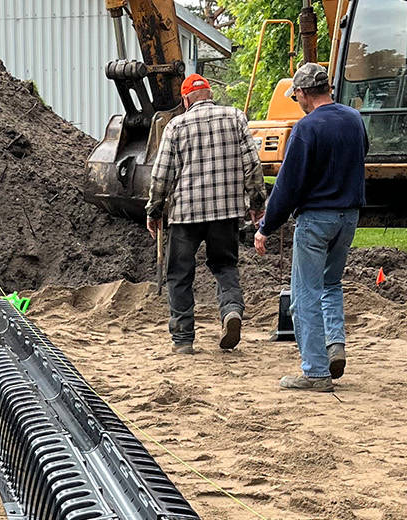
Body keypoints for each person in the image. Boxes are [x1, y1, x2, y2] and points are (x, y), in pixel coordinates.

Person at [254, 63, 367, 392]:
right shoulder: (354, 120)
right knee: (331, 284)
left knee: (305, 294)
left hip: (317, 220)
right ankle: (335, 345)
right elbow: (362, 154)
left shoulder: (307, 128)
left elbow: (288, 186)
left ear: (303, 93)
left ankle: (316, 371)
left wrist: (266, 227)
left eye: (296, 96)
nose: (297, 101)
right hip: (349, 216)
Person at [146, 73, 266, 354]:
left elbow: (161, 175)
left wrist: (154, 211)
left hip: (185, 216)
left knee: (179, 274)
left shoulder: (176, 126)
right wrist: (257, 202)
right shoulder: (236, 118)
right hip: (225, 212)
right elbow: (252, 164)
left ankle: (184, 340)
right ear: (210, 94)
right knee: (225, 266)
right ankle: (231, 311)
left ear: (186, 99)